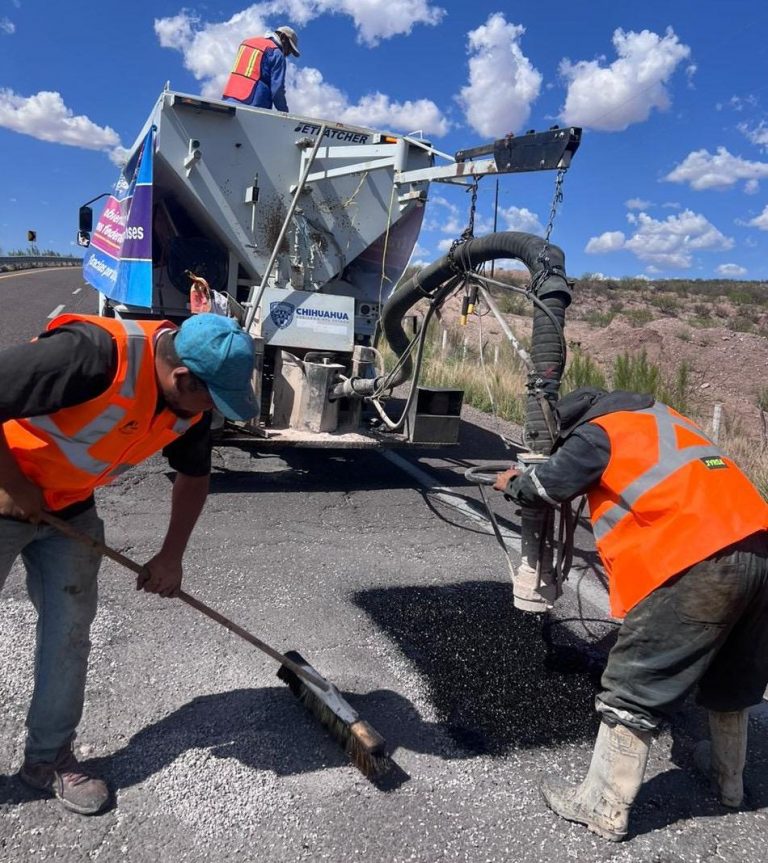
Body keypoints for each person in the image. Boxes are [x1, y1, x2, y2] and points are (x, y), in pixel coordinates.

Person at [0, 312, 256, 815]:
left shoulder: (187, 406)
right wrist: (13, 483)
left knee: (69, 633)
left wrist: (171, 556)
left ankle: (48, 760)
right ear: (182, 378)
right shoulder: (91, 355)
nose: (212, 413)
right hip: (3, 494)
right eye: (211, 400)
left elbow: (194, 476)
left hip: (68, 511)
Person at [494, 387, 768, 842]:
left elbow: (546, 486)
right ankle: (729, 781)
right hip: (759, 548)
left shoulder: (598, 433)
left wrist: (514, 483)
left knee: (636, 680)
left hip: (695, 558)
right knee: (733, 675)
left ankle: (603, 806)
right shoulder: (664, 418)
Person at [221, 25, 300, 112]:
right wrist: (285, 113)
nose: (287, 54)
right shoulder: (277, 54)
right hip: (253, 105)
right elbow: (277, 90)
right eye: (289, 49)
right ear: (283, 38)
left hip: (229, 98)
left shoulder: (246, 42)